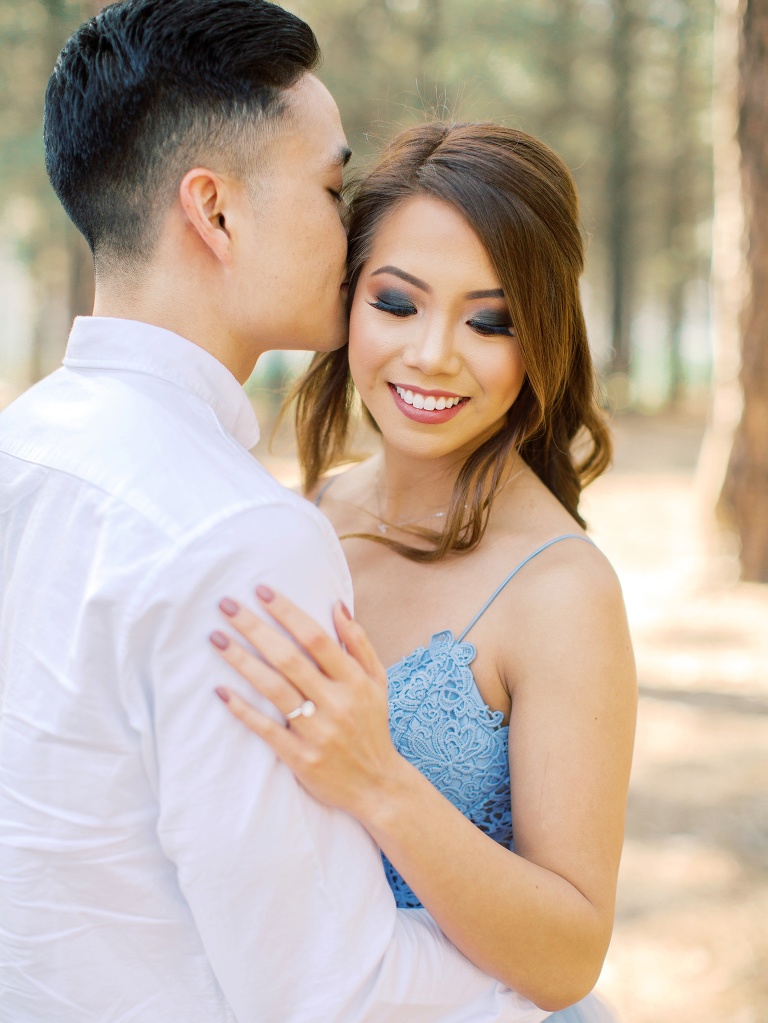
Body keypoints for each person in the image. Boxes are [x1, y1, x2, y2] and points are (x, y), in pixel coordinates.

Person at [0, 3, 556, 1021]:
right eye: (332, 186)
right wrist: (555, 1001)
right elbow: (328, 993)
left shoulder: (23, 447)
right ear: (214, 212)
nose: (351, 231)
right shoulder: (240, 534)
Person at [209, 123, 638, 1019]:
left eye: (491, 320)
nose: (434, 353)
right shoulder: (311, 511)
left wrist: (380, 780)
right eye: (398, 303)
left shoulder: (563, 589)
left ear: (542, 336)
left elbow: (569, 958)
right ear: (347, 300)